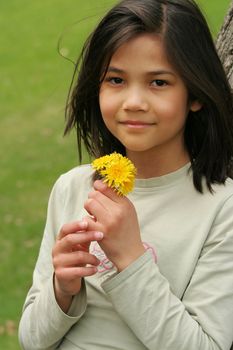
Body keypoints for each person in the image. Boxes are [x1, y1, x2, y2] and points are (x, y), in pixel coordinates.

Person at [18, 0, 233, 349]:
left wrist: (130, 259)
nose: (133, 101)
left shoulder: (222, 209)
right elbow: (31, 339)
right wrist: (62, 290)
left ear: (195, 93)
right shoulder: (73, 188)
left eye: (159, 82)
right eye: (116, 79)